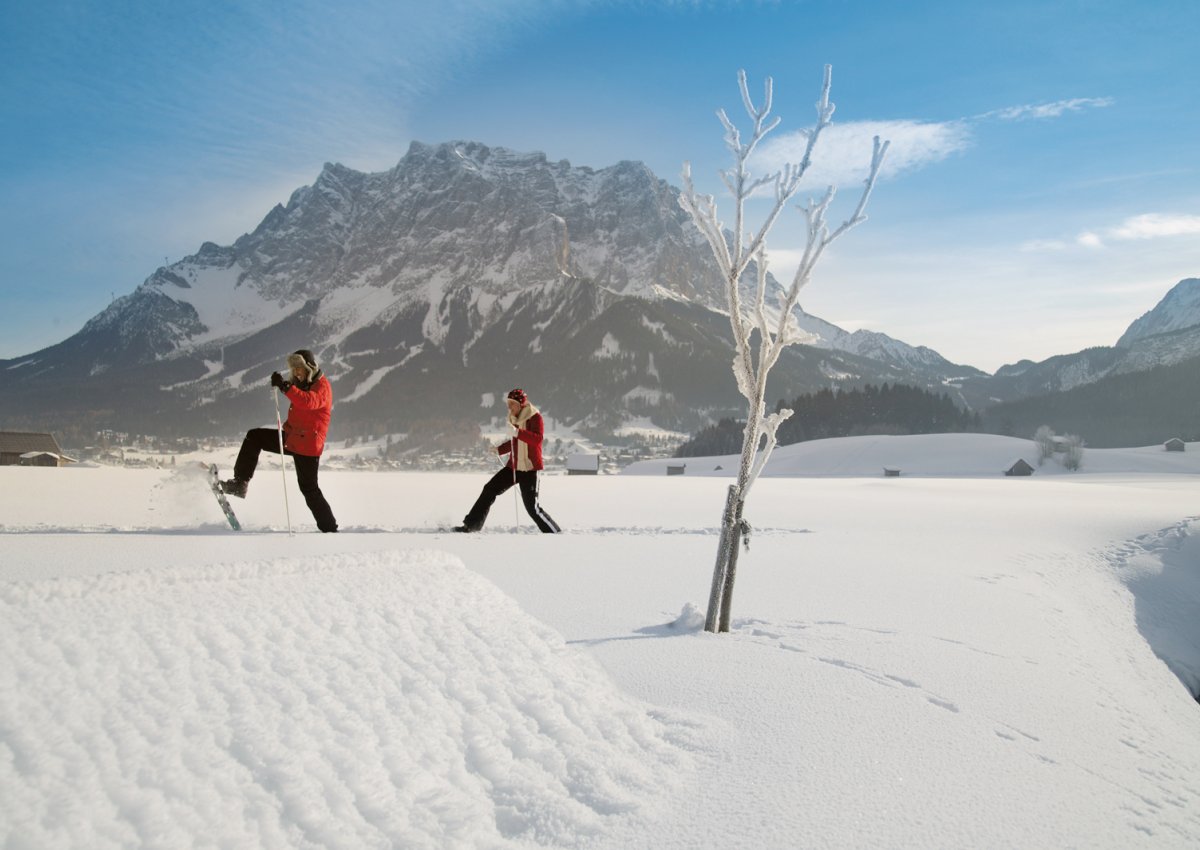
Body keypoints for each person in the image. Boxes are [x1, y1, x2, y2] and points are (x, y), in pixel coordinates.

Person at [220, 349, 338, 533]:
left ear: (310, 367)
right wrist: (281, 383)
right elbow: (296, 391)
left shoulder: (322, 386)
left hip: (308, 445)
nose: (297, 372)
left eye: (299, 368)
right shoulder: (303, 382)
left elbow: (309, 402)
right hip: (293, 438)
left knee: (309, 488)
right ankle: (239, 483)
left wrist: (285, 387)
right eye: (294, 369)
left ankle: (329, 528)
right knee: (255, 436)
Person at [455, 388, 561, 533]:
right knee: (489, 490)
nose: (509, 407)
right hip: (513, 467)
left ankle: (555, 533)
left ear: (521, 404)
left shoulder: (535, 417)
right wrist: (499, 449)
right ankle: (471, 526)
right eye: (508, 404)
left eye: (512, 404)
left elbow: (537, 440)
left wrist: (518, 432)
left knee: (532, 509)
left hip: (530, 469)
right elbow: (514, 442)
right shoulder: (513, 418)